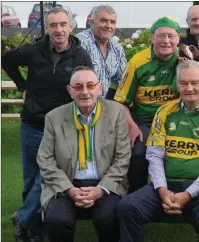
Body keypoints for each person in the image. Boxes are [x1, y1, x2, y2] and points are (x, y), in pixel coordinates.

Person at [2, 7, 92, 242]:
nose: (59, 30)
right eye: (53, 25)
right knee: (31, 177)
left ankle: (24, 219)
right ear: (47, 28)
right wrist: (22, 85)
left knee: (47, 177)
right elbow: (6, 60)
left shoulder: (80, 56)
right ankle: (33, 227)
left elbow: (85, 86)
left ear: (71, 27)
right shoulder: (33, 50)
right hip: (32, 123)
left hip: (62, 127)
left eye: (63, 24)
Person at [118, 60, 199, 242]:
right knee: (127, 207)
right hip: (167, 185)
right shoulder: (164, 111)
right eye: (183, 83)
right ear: (177, 85)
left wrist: (188, 194)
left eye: (195, 83)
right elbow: (154, 155)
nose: (189, 88)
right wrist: (162, 189)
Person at [37, 66, 131, 242]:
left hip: (106, 183)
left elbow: (123, 157)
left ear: (99, 87)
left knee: (108, 217)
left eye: (90, 85)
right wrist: (69, 189)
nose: (85, 92)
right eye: (78, 87)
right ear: (69, 91)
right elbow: (45, 159)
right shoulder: (54, 117)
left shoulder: (116, 112)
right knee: (57, 220)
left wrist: (101, 189)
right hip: (66, 184)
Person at [114, 16, 181, 193]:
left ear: (178, 39)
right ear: (152, 38)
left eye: (171, 36)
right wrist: (132, 126)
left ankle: (177, 194)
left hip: (174, 117)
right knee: (137, 153)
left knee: (182, 152)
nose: (166, 41)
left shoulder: (183, 59)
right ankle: (137, 196)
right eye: (161, 36)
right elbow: (121, 102)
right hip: (143, 119)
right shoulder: (137, 62)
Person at [76, 5, 127, 99]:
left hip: (103, 104)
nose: (108, 26)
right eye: (103, 21)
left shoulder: (117, 48)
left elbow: (123, 81)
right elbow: (75, 81)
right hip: (80, 101)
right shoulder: (81, 42)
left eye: (112, 22)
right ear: (92, 22)